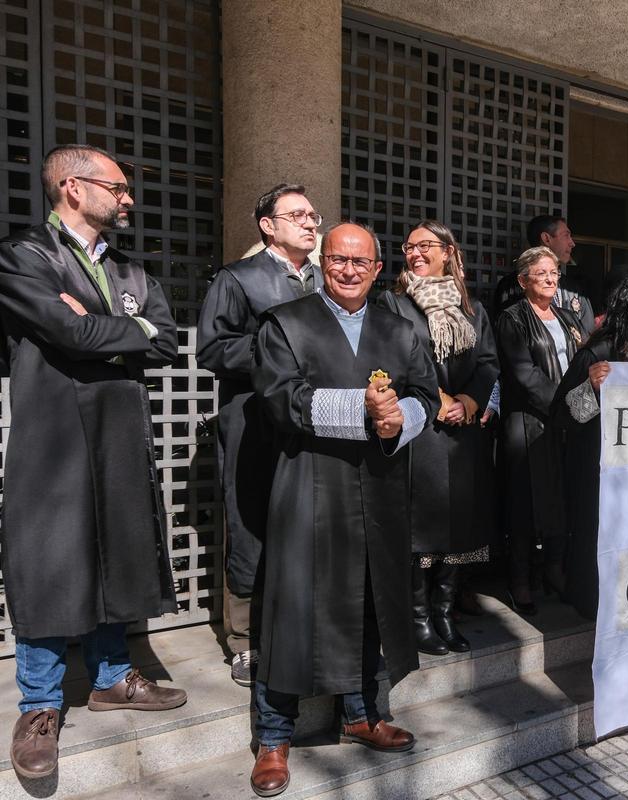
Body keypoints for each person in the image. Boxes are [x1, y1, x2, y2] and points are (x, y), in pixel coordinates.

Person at [0, 144, 186, 779]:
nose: (128, 197)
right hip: (52, 436)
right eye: (118, 186)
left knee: (117, 547)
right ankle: (41, 705)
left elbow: (164, 345)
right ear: (73, 188)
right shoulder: (24, 255)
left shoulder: (133, 271)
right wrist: (124, 334)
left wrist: (103, 328)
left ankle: (111, 677)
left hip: (118, 430)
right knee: (50, 556)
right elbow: (67, 333)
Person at [249, 222, 439, 796]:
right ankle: (274, 735)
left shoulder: (402, 329)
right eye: (338, 260)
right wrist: (363, 408)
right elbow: (282, 400)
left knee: (370, 603)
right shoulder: (287, 322)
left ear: (379, 268)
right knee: (293, 606)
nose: (350, 270)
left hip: (379, 484)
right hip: (308, 482)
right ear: (321, 263)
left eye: (361, 262)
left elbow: (428, 393)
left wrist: (400, 418)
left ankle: (361, 713)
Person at [197, 183, 324, 687]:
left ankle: (300, 625)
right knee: (250, 522)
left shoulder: (324, 279)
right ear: (267, 226)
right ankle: (244, 641)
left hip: (314, 420)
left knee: (307, 523)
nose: (311, 222)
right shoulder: (239, 278)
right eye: (297, 215)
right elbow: (212, 349)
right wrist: (278, 356)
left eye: (314, 215)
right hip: (254, 419)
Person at [380, 220, 500, 656]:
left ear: (448, 251)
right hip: (422, 427)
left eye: (424, 245)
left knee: (458, 525)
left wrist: (469, 399)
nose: (414, 253)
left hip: (463, 431)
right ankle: (418, 619)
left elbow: (488, 361)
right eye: (408, 246)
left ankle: (445, 611)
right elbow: (395, 360)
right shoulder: (393, 303)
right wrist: (441, 396)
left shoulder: (473, 309)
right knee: (421, 527)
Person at [551, 270, 628, 619]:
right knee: (597, 539)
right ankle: (590, 603)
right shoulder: (598, 353)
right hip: (599, 472)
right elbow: (561, 415)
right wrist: (591, 389)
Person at [495, 246, 587, 615]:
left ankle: (554, 568)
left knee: (562, 496)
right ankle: (520, 578)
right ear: (522, 281)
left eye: (554, 273)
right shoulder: (512, 319)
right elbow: (525, 375)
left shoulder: (567, 317)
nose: (551, 279)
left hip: (568, 417)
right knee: (525, 500)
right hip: (528, 421)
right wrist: (568, 406)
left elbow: (583, 361)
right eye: (542, 274)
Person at [491, 215, 595, 333]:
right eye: (566, 235)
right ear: (546, 238)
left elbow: (588, 333)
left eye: (554, 273)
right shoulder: (510, 286)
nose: (572, 243)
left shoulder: (574, 289)